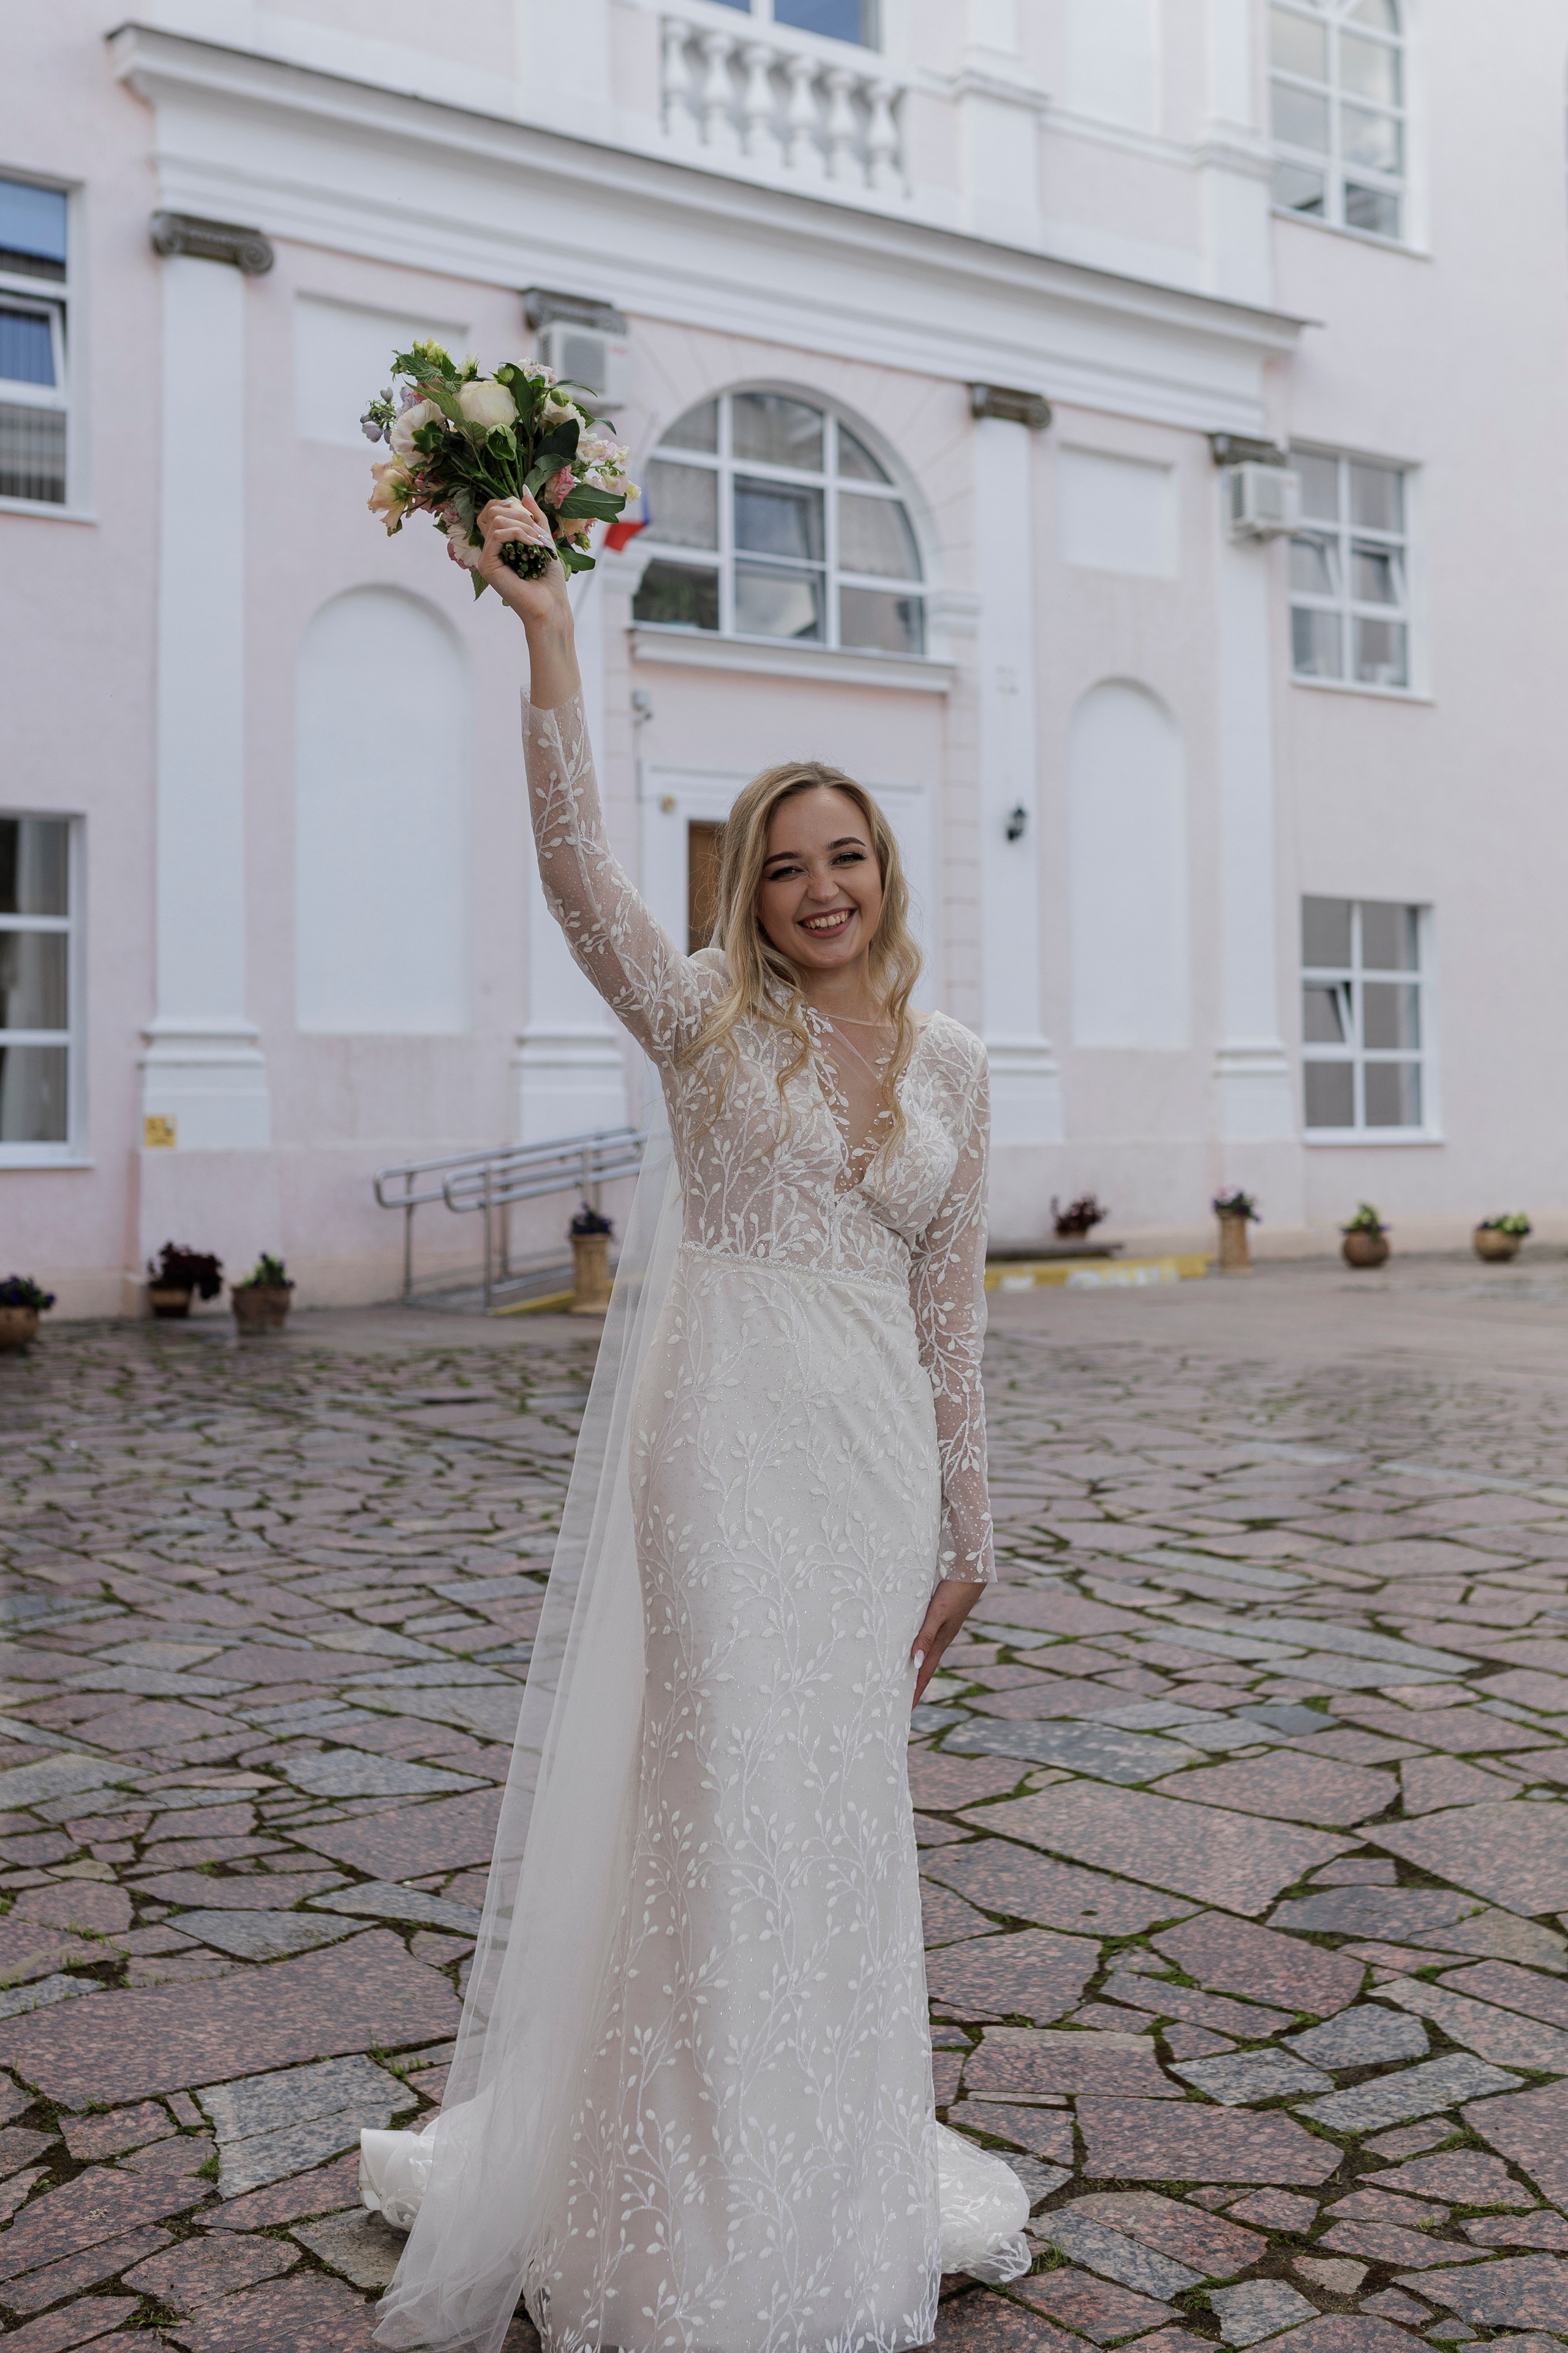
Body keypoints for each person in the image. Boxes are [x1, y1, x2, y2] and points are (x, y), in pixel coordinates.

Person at [364, 489, 1028, 2353]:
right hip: (723, 1445)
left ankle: (820, 2160)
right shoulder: (702, 1025)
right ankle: (686, 2196)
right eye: (788, 864)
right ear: (750, 886)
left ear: (886, 870)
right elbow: (579, 869)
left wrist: (975, 1525)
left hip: (874, 1468)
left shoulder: (960, 1064)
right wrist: (550, 635)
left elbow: (949, 1306)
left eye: (850, 858)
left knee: (834, 1815)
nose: (824, 889)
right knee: (725, 1788)